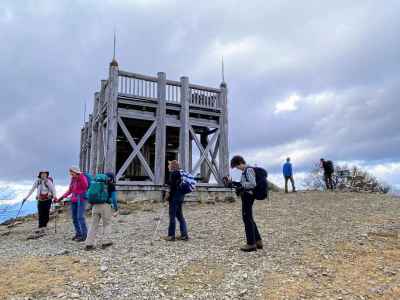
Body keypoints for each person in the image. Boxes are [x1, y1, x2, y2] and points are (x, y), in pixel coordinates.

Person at [230, 155, 263, 252]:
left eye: (237, 167)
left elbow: (252, 184)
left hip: (248, 196)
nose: (237, 169)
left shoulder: (248, 170)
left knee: (247, 219)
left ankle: (251, 244)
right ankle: (258, 241)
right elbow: (247, 183)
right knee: (249, 218)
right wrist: (236, 184)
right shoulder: (246, 171)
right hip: (248, 196)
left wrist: (241, 185)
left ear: (240, 163)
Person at [85, 172, 118, 251]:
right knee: (106, 224)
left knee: (93, 225)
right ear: (111, 178)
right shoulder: (110, 185)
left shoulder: (96, 183)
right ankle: (106, 242)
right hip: (105, 206)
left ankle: (89, 244)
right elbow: (113, 198)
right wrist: (116, 208)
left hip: (95, 206)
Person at [58, 166, 89, 242]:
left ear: (75, 172)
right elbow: (70, 190)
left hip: (81, 198)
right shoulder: (73, 179)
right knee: (74, 218)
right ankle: (78, 233)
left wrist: (80, 176)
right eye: (70, 172)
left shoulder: (82, 177)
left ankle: (84, 235)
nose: (70, 174)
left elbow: (85, 186)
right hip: (74, 199)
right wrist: (62, 197)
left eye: (71, 172)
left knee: (80, 217)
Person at [163, 160, 189, 241]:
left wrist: (166, 197)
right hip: (180, 197)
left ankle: (171, 236)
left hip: (174, 198)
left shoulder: (173, 174)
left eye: (169, 165)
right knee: (180, 216)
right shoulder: (180, 174)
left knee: (172, 216)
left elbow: (171, 187)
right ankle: (184, 235)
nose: (168, 166)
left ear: (172, 166)